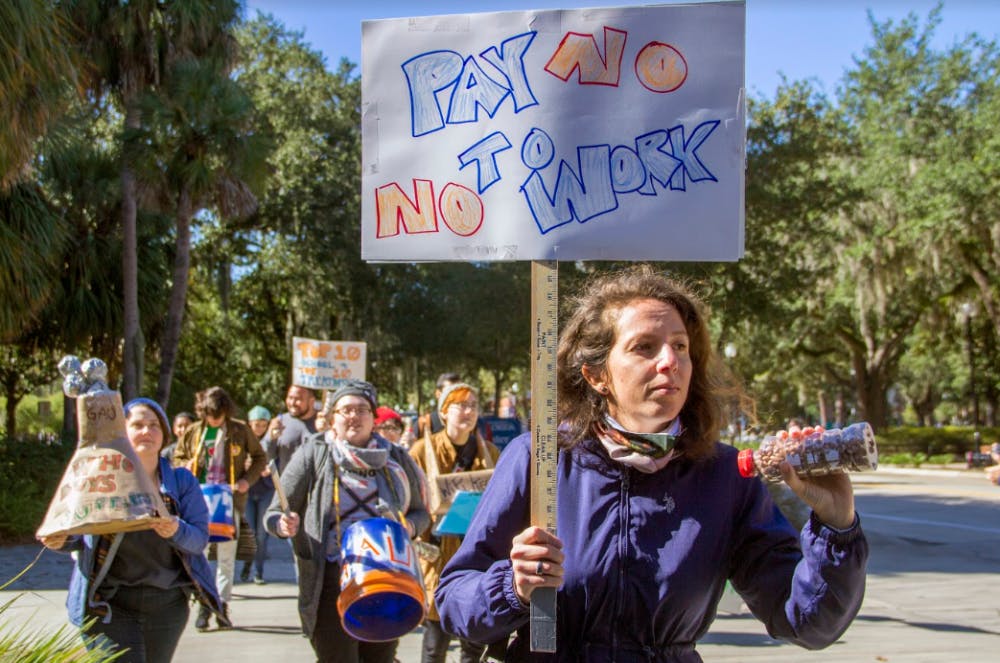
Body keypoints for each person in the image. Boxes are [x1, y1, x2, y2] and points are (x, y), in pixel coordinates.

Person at [436, 265, 868, 661]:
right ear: (597, 375)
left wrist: (837, 527)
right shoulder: (540, 458)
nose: (670, 361)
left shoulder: (726, 474)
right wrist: (512, 588)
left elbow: (807, 623)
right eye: (644, 347)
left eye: (680, 346)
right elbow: (455, 600)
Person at [40, 398, 224, 661]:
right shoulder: (96, 479)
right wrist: (61, 540)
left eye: (154, 425)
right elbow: (79, 534)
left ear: (164, 434)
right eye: (137, 425)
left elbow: (198, 540)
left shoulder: (181, 481)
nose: (146, 431)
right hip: (109, 605)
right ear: (121, 433)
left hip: (167, 606)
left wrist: (175, 529)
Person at [264, 379, 430, 663]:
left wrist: (409, 527)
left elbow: (420, 513)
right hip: (330, 576)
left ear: (373, 418)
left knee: (380, 657)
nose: (354, 416)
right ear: (332, 420)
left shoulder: (396, 459)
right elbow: (275, 511)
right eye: (346, 410)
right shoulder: (314, 453)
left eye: (362, 409)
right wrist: (282, 523)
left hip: (385, 578)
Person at [409, 383, 499, 663]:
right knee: (435, 642)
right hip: (437, 553)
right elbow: (409, 500)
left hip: (476, 555)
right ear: (444, 412)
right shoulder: (422, 451)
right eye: (461, 405)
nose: (469, 411)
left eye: (473, 405)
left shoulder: (490, 453)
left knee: (474, 642)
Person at [172, 386, 266, 630]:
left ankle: (222, 606)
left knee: (226, 558)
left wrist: (247, 480)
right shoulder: (194, 431)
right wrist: (188, 465)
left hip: (228, 501)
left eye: (217, 415)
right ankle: (204, 604)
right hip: (197, 502)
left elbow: (260, 457)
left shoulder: (240, 430)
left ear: (226, 411)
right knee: (199, 556)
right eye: (209, 415)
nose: (213, 419)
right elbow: (177, 457)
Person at [242, 405, 274, 584]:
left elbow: (280, 460)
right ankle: (248, 563)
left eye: (263, 425)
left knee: (262, 534)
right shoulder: (243, 440)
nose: (260, 428)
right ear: (250, 424)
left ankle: (258, 571)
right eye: (256, 424)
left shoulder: (273, 440)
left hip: (266, 490)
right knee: (251, 532)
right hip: (248, 490)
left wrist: (271, 469)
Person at [418, 372, 460, 438]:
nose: (455, 396)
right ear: (438, 394)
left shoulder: (469, 425)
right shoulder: (425, 423)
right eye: (450, 391)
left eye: (459, 392)